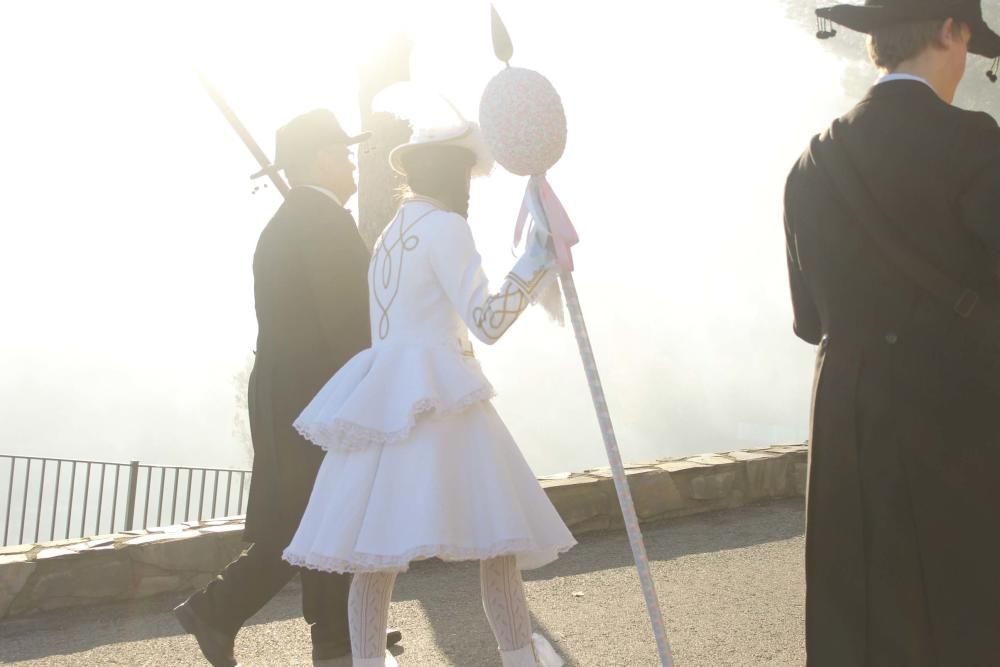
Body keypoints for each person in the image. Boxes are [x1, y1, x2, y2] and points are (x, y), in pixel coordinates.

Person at [281, 112, 577, 667]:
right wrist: (535, 260)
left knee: (374, 557)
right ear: (451, 174)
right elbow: (486, 322)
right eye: (466, 177)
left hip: (385, 399)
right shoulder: (446, 227)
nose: (469, 190)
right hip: (443, 399)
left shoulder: (392, 232)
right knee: (500, 545)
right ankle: (520, 661)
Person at [784, 1, 1000, 664]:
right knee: (969, 608)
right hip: (960, 413)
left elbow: (810, 319)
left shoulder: (811, 163)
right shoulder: (978, 145)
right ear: (948, 31)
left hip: (851, 419)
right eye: (968, 40)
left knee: (864, 616)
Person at [174, 109, 401, 666]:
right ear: (320, 158)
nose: (351, 161)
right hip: (315, 392)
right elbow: (346, 321)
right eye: (342, 152)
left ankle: (337, 633)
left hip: (294, 390)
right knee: (310, 517)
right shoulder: (320, 221)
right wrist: (377, 381)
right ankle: (217, 610)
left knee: (323, 512)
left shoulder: (298, 219)